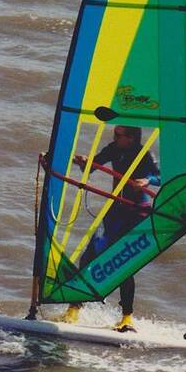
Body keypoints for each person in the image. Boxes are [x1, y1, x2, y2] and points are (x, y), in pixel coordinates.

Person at [61, 125, 160, 332]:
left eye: (118, 135)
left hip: (137, 213)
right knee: (89, 255)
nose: (114, 138)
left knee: (124, 262)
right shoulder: (113, 148)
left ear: (131, 138)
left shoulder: (144, 154)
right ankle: (74, 309)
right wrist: (81, 162)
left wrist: (147, 180)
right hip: (115, 209)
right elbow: (94, 164)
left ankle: (126, 318)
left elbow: (165, 177)